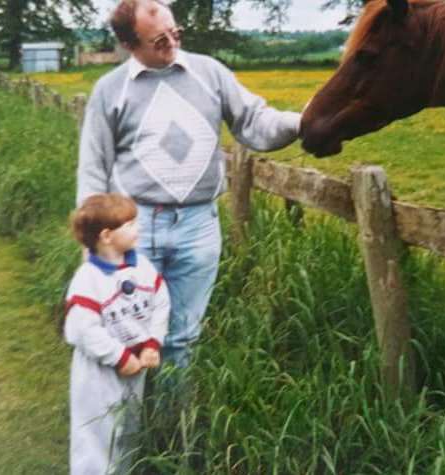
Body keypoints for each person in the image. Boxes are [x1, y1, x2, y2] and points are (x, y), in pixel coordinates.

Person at [77, 0, 301, 370]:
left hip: (199, 227)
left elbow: (254, 122)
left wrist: (303, 121)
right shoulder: (109, 90)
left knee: (181, 337)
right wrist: (92, 243)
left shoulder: (209, 73)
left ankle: (170, 424)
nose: (172, 44)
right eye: (159, 40)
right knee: (128, 335)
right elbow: (93, 168)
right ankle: (127, 426)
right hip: (133, 229)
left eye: (175, 33)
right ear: (130, 46)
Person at [64, 193, 170, 475]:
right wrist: (119, 356)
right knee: (96, 430)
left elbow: (160, 303)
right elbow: (82, 330)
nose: (139, 228)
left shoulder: (143, 267)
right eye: (131, 224)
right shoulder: (88, 279)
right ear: (107, 236)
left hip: (137, 365)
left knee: (127, 428)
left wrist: (152, 343)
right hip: (98, 372)